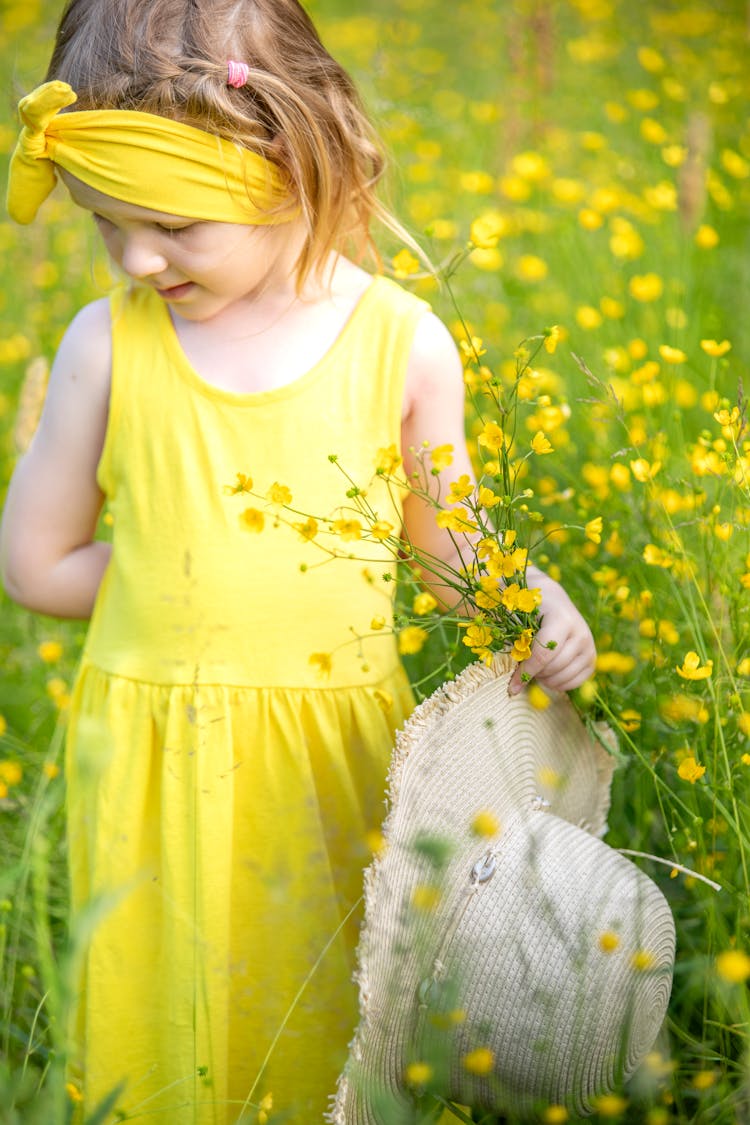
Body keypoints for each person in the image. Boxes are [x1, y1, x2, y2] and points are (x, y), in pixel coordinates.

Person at [0, 1, 596, 1121]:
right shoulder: (105, 342)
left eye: (172, 225)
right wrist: (195, 580)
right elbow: (34, 567)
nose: (135, 256)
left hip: (340, 759)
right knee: (158, 1025)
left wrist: (532, 601)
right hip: (153, 758)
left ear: (296, 161)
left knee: (335, 1018)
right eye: (105, 225)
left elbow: (445, 550)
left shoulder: (398, 342)